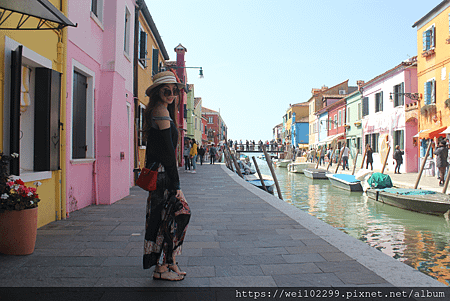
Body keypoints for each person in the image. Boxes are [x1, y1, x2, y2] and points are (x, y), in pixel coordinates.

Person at [142, 71, 190, 281]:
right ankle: (162, 268)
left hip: (162, 177)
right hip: (163, 178)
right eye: (167, 90)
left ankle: (169, 262)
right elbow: (168, 153)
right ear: (157, 92)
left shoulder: (162, 111)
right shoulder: (160, 111)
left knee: (168, 218)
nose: (172, 94)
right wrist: (176, 183)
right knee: (172, 219)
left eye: (174, 90)